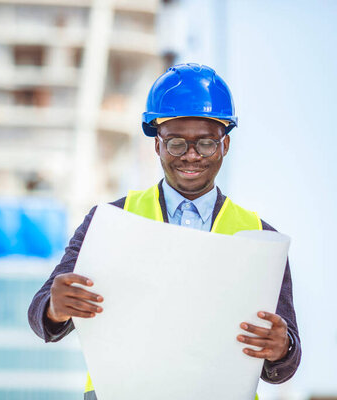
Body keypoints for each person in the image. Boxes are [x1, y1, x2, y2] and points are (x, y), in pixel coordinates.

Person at [27, 63, 301, 399]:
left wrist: (281, 347)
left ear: (225, 145)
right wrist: (57, 306)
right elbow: (42, 312)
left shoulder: (260, 237)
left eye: (205, 144)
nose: (190, 156)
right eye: (175, 143)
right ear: (157, 145)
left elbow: (286, 359)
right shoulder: (110, 220)